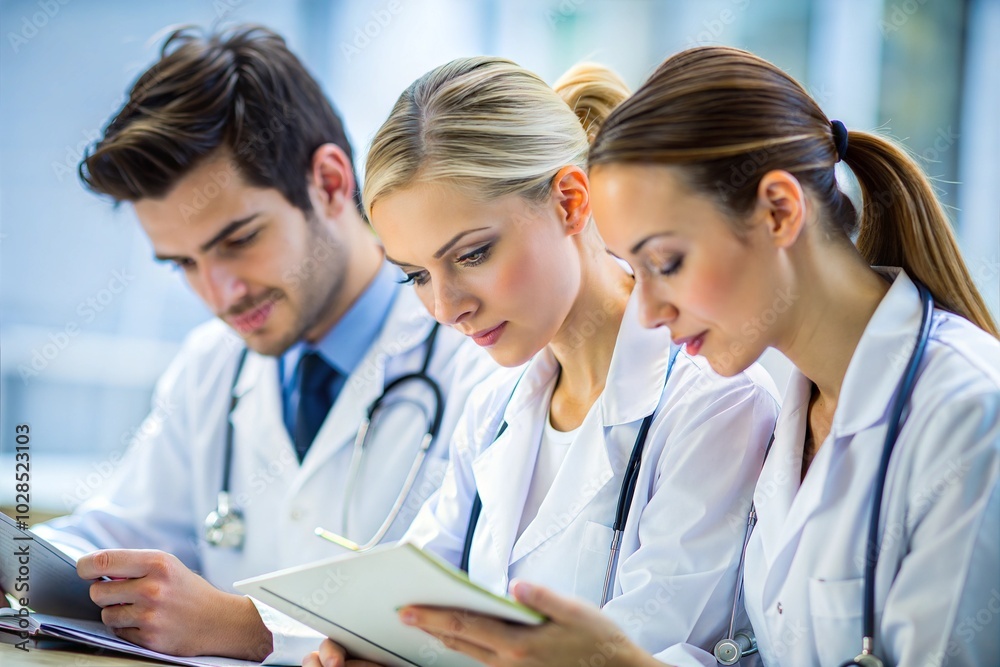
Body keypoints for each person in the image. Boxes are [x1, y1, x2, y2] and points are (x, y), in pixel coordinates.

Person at [357, 46, 1000, 667]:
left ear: (779, 211)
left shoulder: (969, 415)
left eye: (666, 263)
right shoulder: (798, 429)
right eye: (412, 275)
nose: (652, 309)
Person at [1, 25, 496, 664]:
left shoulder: (479, 351)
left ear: (328, 180)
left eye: (238, 240)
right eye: (183, 263)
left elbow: (493, 622)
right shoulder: (213, 365)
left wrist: (251, 629)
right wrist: (19, 561)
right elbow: (112, 536)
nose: (220, 293)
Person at [304, 56, 781, 667]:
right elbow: (413, 599)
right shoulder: (493, 410)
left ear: (569, 200)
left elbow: (654, 648)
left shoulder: (717, 402)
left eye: (473, 254)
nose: (447, 307)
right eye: (417, 276)